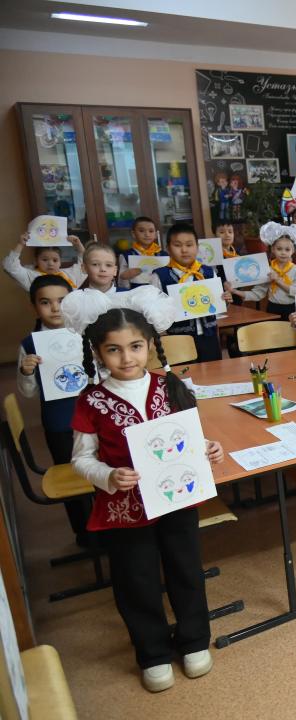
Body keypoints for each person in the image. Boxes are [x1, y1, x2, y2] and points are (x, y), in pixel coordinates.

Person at [65, 286, 225, 692]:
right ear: (97, 352)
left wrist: (209, 448)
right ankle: (152, 652)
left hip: (177, 499)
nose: (127, 358)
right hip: (124, 508)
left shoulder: (170, 385)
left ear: (150, 345)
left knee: (186, 569)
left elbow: (189, 438)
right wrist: (107, 476)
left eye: (135, 347)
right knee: (136, 579)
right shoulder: (91, 401)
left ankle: (193, 640)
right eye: (113, 350)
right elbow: (81, 459)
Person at [17, 275, 90, 545]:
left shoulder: (86, 332)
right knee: (71, 475)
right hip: (60, 422)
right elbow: (28, 392)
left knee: (102, 466)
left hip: (94, 415)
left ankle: (110, 526)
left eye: (62, 300)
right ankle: (84, 533)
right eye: (46, 302)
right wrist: (27, 372)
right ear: (34, 307)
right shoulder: (30, 344)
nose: (55, 308)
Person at [148, 222, 231, 363]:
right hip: (178, 340)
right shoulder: (159, 276)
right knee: (185, 374)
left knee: (214, 372)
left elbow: (218, 309)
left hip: (209, 337)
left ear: (197, 247)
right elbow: (153, 312)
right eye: (177, 245)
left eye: (189, 245)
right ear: (168, 248)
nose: (184, 250)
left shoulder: (209, 272)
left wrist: (225, 300)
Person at [238, 222, 296, 320]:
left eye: (287, 249)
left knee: (290, 330)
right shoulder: (267, 270)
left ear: (293, 250)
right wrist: (236, 291)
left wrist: (278, 281)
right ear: (273, 249)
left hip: (292, 310)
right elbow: (258, 293)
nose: (283, 252)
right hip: (272, 309)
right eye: (279, 249)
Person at [5, 231, 85, 291]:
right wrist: (20, 244)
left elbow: (85, 265)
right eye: (45, 260)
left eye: (55, 260)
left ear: (60, 262)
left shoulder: (69, 275)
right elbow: (10, 267)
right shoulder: (31, 276)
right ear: (36, 261)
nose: (50, 263)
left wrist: (78, 245)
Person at [118, 216, 167, 288]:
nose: (147, 234)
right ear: (133, 234)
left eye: (151, 231)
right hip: (136, 292)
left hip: (161, 292)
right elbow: (122, 282)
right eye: (141, 231)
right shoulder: (126, 255)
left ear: (156, 234)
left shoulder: (163, 255)